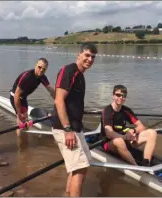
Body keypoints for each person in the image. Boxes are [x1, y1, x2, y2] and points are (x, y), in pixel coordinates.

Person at [52, 42, 98, 197]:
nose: (90, 59)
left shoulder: (81, 76)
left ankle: (67, 194)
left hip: (76, 128)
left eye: (93, 57)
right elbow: (59, 100)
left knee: (80, 167)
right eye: (87, 55)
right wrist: (67, 130)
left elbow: (72, 101)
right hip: (65, 128)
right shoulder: (69, 71)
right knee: (79, 168)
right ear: (79, 55)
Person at [100, 84, 157, 166]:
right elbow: (109, 134)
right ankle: (136, 167)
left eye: (123, 96)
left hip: (125, 139)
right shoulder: (107, 111)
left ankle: (146, 163)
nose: (120, 98)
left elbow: (141, 126)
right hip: (108, 143)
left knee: (152, 133)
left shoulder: (126, 110)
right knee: (119, 141)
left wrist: (133, 131)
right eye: (118, 95)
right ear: (113, 96)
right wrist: (124, 137)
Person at [9, 58, 55, 148]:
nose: (41, 70)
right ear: (36, 65)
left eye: (44, 69)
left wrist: (60, 102)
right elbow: (16, 96)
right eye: (39, 67)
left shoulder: (42, 77)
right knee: (21, 122)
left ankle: (24, 141)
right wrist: (18, 113)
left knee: (25, 121)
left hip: (24, 98)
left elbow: (51, 91)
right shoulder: (27, 76)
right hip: (15, 97)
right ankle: (21, 145)